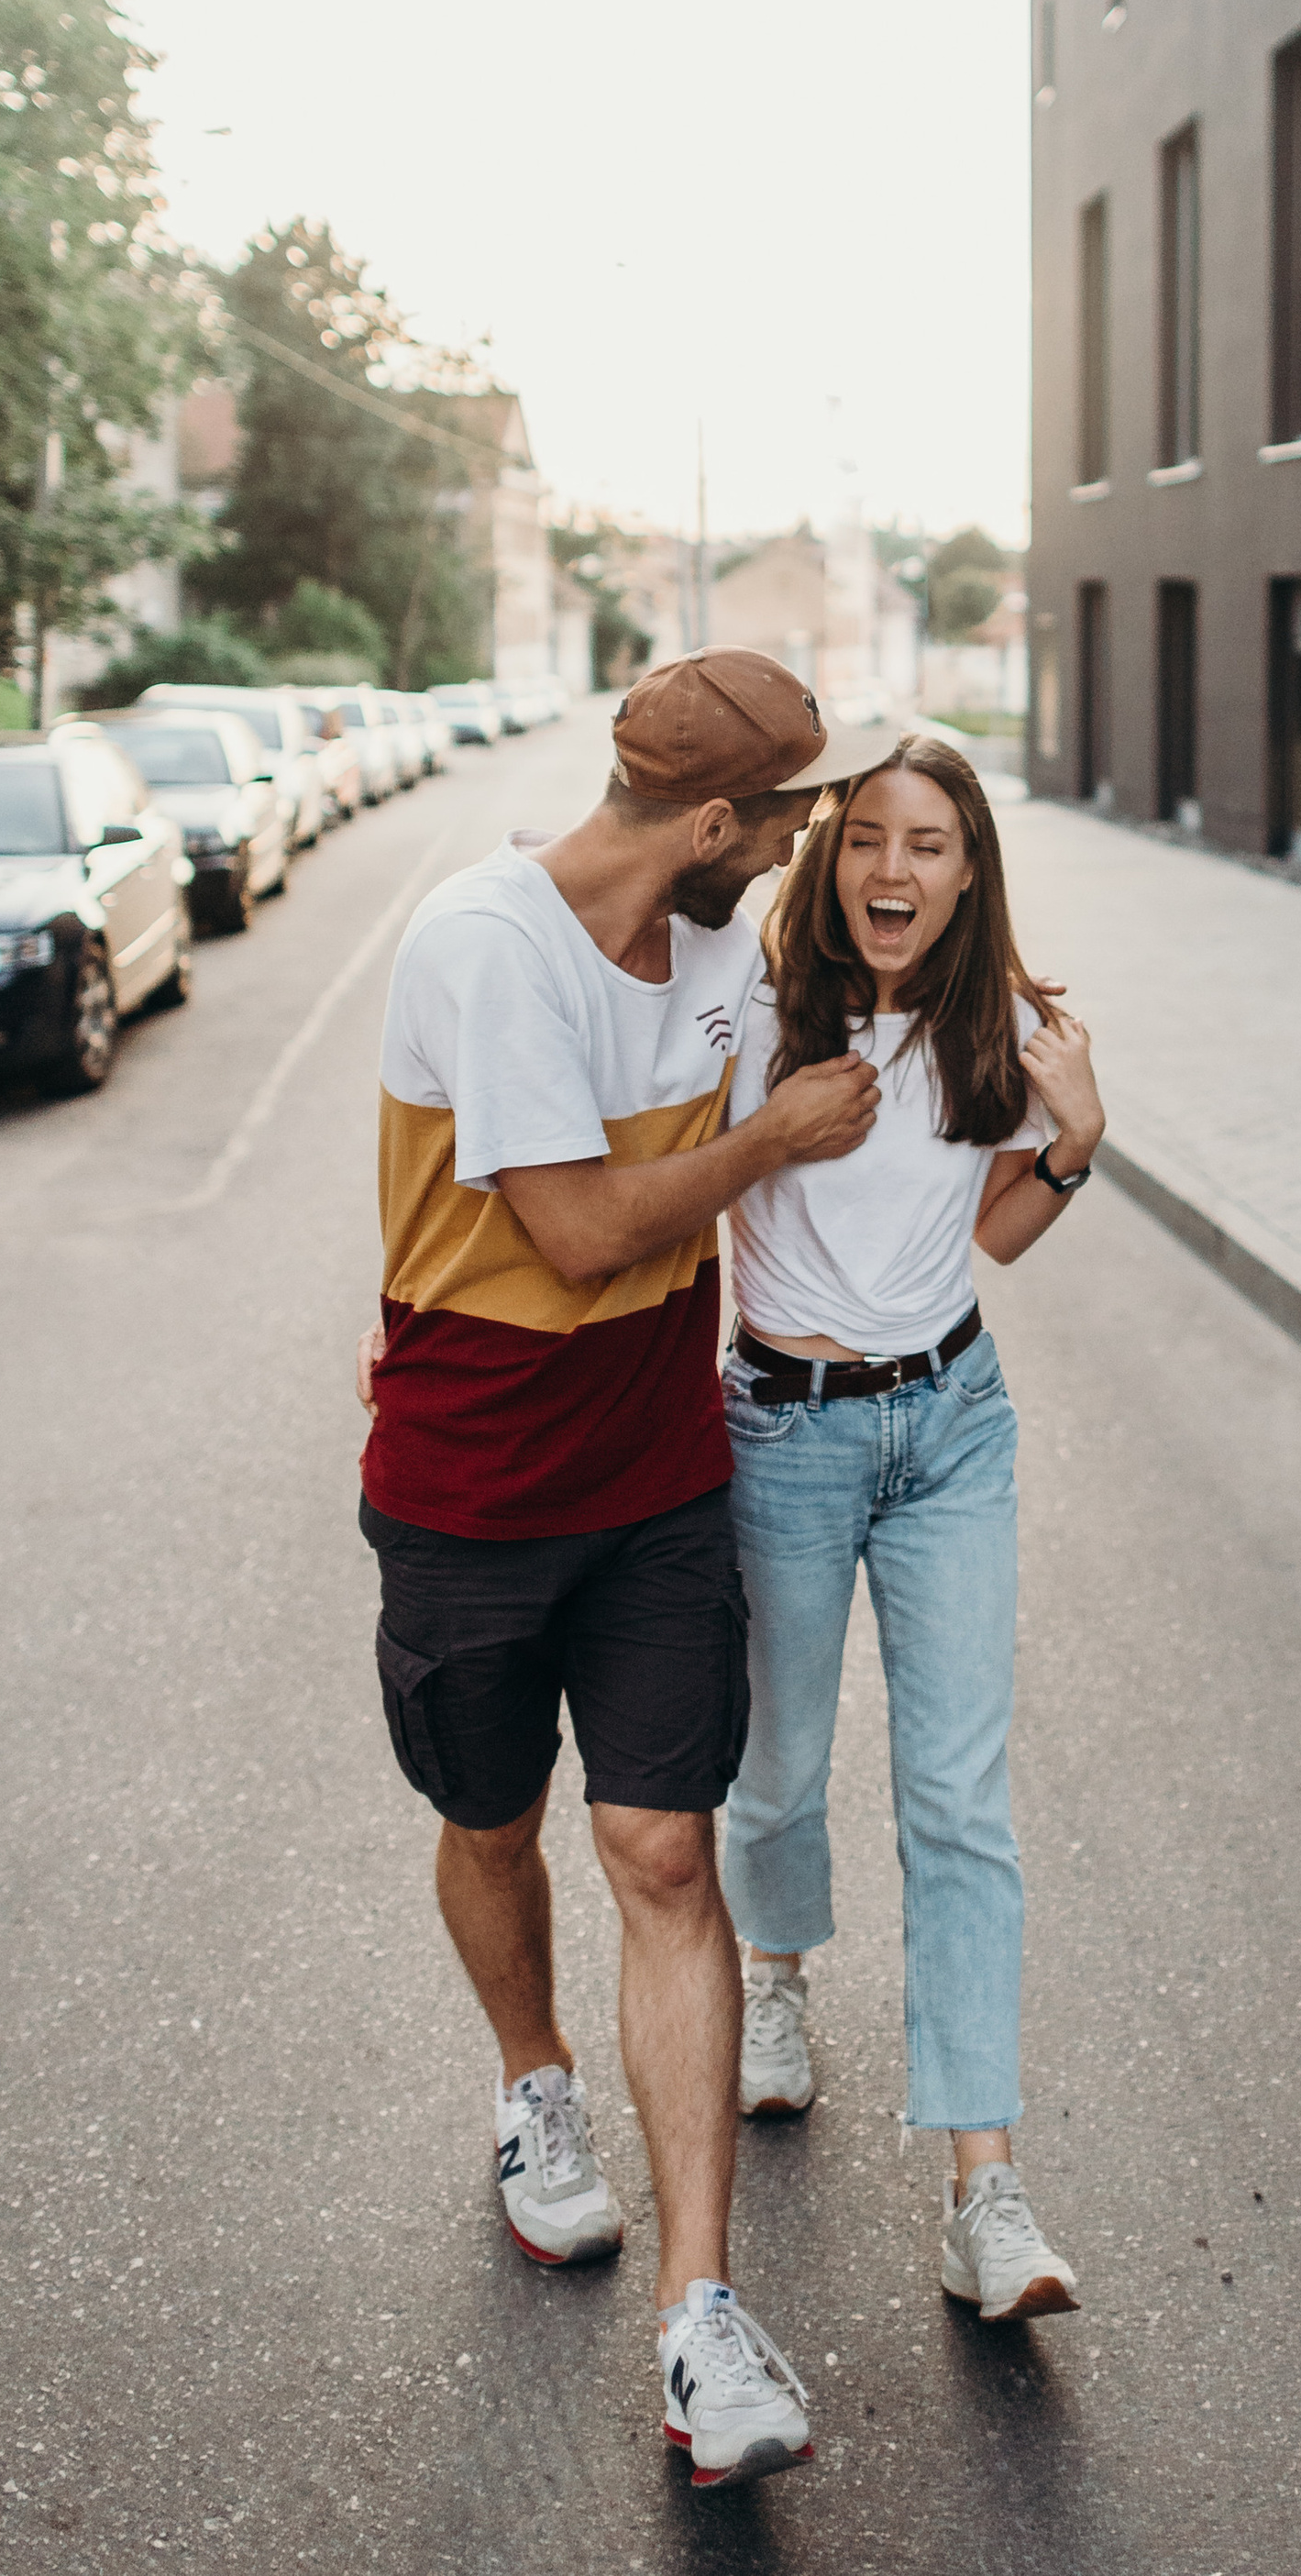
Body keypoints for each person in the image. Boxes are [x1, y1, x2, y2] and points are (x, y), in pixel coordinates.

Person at [353, 649, 894, 2491]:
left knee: (662, 1850)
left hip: (663, 1479)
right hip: (470, 1483)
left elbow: (854, 1051)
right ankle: (533, 2088)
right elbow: (577, 1232)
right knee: (490, 1819)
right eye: (801, 813)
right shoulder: (484, 948)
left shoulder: (727, 956)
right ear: (716, 823)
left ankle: (700, 2320)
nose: (810, 843)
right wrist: (764, 1136)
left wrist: (1008, 1057)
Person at [716, 732, 1107, 2324]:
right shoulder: (748, 1018)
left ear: (969, 866)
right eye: (867, 837)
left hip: (952, 1422)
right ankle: (778, 1974)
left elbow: (999, 1232)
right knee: (781, 1764)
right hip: (786, 1434)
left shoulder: (999, 1021)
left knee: (958, 1797)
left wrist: (1075, 1138)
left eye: (929, 843)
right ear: (827, 857)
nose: (894, 870)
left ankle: (984, 2189)